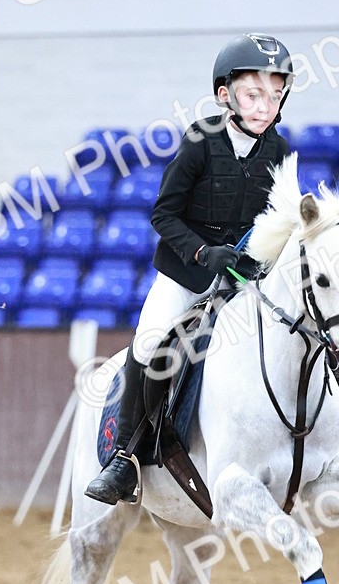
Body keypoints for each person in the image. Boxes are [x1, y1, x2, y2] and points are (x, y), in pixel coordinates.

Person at [85, 33, 294, 505]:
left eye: (275, 94)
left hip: (243, 284)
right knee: (150, 342)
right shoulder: (201, 141)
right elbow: (163, 215)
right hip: (186, 277)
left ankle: (323, 444)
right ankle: (127, 457)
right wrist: (203, 253)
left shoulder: (279, 151)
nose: (265, 105)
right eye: (253, 94)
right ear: (226, 95)